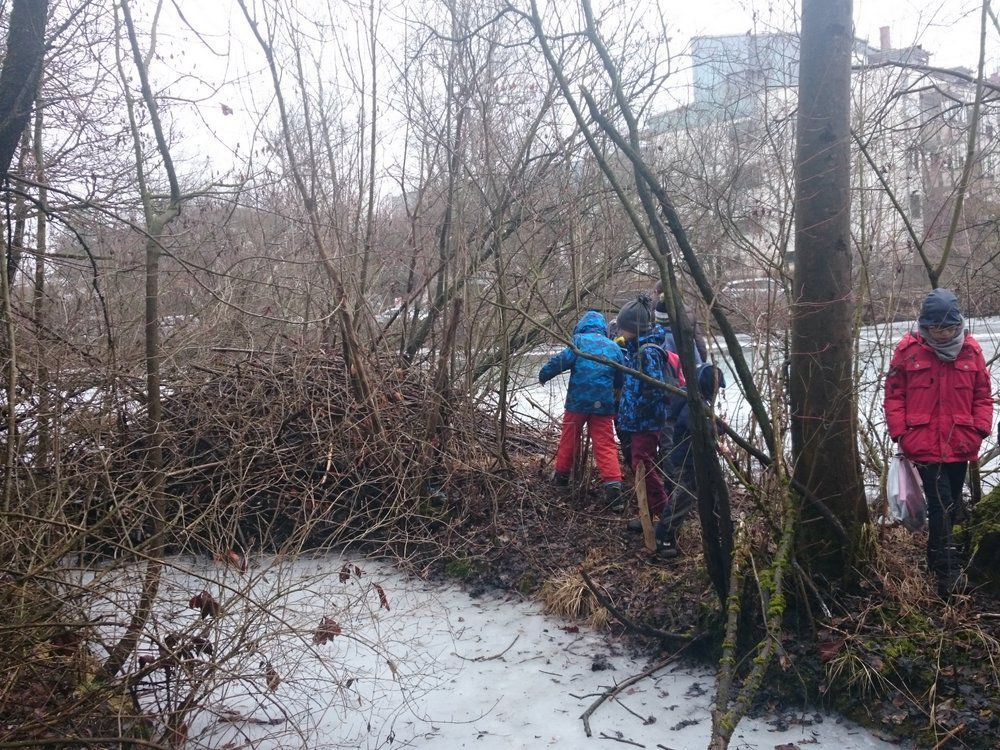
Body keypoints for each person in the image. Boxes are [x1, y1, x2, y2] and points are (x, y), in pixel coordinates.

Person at [884, 288, 993, 597]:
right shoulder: (908, 351)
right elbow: (894, 395)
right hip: (922, 443)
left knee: (950, 502)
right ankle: (948, 574)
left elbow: (982, 396)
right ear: (924, 325)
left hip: (961, 441)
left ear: (958, 324)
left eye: (947, 327)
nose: (941, 334)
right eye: (934, 328)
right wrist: (902, 434)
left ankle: (935, 559)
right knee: (940, 502)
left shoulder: (972, 351)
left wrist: (979, 430)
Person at [539, 309, 625, 508]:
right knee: (605, 444)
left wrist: (544, 374)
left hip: (577, 402)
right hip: (603, 404)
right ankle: (614, 489)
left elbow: (560, 361)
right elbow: (620, 379)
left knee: (569, 438)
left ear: (582, 325)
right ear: (603, 328)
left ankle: (561, 479)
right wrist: (614, 394)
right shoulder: (613, 347)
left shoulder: (578, 341)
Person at [654, 363, 727, 558]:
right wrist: (717, 428)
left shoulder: (694, 398)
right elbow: (694, 423)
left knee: (714, 492)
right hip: (686, 460)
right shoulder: (692, 401)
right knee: (682, 498)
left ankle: (720, 527)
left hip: (696, 458)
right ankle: (664, 536)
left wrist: (717, 429)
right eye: (716, 389)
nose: (716, 393)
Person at [615, 294, 672, 521]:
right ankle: (649, 512)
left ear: (632, 328)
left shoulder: (647, 352)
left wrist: (636, 411)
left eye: (622, 327)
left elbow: (655, 389)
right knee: (640, 463)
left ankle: (662, 512)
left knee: (642, 464)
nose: (620, 331)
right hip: (638, 421)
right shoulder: (635, 348)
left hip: (646, 422)